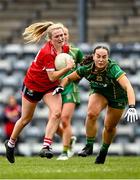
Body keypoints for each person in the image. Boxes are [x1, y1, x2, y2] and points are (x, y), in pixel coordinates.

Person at [53, 45, 138, 164]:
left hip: (117, 97)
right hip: (99, 92)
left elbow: (128, 86)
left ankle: (103, 151)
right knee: (91, 114)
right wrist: (61, 87)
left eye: (104, 57)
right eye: (98, 56)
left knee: (109, 127)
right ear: (93, 57)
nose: (101, 60)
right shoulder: (87, 68)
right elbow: (68, 78)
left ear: (108, 58)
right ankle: (89, 146)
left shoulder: (113, 68)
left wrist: (132, 106)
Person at [4, 21, 75, 163]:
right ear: (50, 39)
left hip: (49, 87)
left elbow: (56, 76)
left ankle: (46, 146)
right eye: (57, 36)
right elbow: (52, 76)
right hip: (33, 85)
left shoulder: (65, 48)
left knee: (56, 113)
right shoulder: (47, 52)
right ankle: (11, 144)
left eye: (62, 35)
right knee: (25, 119)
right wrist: (67, 68)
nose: (61, 38)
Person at [56, 26, 83, 160]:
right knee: (54, 125)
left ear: (68, 36)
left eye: (65, 34)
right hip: (55, 89)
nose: (63, 37)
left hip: (70, 88)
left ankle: (65, 151)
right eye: (61, 34)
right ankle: (70, 139)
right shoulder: (52, 51)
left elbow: (83, 68)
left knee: (65, 119)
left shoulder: (76, 51)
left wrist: (76, 79)